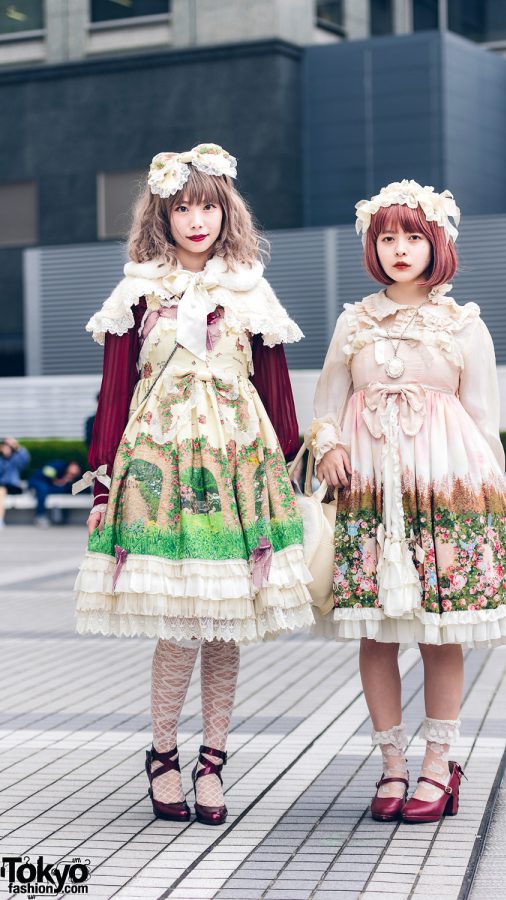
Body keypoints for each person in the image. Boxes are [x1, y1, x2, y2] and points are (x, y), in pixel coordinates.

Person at [73, 143, 313, 826]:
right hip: (159, 471)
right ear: (163, 215)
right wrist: (100, 488)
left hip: (240, 471)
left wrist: (290, 476)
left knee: (226, 622)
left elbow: (277, 394)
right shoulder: (138, 290)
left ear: (225, 210)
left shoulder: (249, 289)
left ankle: (213, 759)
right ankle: (162, 753)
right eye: (183, 207)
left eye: (208, 205)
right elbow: (115, 393)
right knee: (180, 622)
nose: (197, 219)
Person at [310, 180, 506, 825]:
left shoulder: (465, 324)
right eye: (387, 237)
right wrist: (326, 448)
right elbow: (325, 404)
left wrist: (492, 506)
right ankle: (391, 766)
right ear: (372, 246)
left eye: (413, 237)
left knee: (440, 633)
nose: (399, 249)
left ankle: (439, 764)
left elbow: (484, 419)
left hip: (446, 489)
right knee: (376, 635)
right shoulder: (353, 321)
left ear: (437, 244)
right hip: (367, 493)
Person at [28, 459, 82, 527]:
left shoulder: (71, 476)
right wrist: (56, 479)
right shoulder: (59, 465)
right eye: (75, 468)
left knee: (60, 490)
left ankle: (35, 492)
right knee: (43, 490)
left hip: (48, 487)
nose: (75, 471)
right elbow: (47, 470)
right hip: (38, 480)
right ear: (71, 465)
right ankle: (40, 516)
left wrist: (67, 480)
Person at [0, 437, 30, 529]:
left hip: (14, 486)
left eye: (7, 447)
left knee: (1, 490)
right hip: (2, 487)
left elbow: (25, 457)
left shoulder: (16, 459)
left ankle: (0, 519)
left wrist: (16, 445)